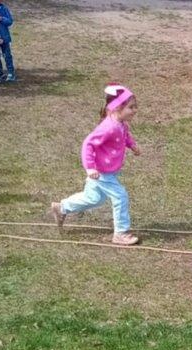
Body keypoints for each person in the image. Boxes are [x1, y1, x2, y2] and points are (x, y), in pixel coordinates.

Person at [49, 84, 144, 246]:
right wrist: (90, 167)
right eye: (131, 107)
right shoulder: (109, 127)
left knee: (93, 199)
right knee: (120, 196)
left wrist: (132, 145)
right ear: (117, 108)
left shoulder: (120, 123)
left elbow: (125, 135)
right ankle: (121, 233)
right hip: (101, 172)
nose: (135, 110)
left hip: (107, 171)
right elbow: (88, 144)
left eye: (135, 106)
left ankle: (62, 208)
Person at [0, 0, 15, 82]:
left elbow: (10, 21)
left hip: (4, 36)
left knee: (7, 55)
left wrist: (1, 18)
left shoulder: (3, 8)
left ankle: (11, 72)